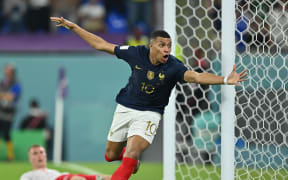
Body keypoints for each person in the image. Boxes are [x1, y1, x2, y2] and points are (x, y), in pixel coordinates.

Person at [50, 16, 248, 180]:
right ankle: (129, 163)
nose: (166, 49)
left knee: (132, 152)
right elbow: (102, 45)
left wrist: (224, 79)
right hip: (125, 108)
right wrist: (74, 27)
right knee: (110, 155)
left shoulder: (174, 66)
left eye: (169, 46)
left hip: (149, 115)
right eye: (162, 45)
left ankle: (130, 161)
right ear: (151, 45)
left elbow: (196, 76)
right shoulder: (136, 53)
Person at [20, 144, 111, 180]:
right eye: (35, 153)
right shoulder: (28, 175)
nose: (39, 155)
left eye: (41, 152)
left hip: (67, 176)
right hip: (63, 178)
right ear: (30, 158)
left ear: (45, 155)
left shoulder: (53, 171)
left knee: (104, 178)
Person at [0, 63, 21, 161]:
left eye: (8, 70)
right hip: (1, 110)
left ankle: (10, 156)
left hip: (9, 112)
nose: (5, 71)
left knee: (6, 133)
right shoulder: (3, 82)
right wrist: (6, 95)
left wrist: (4, 95)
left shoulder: (16, 83)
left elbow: (12, 97)